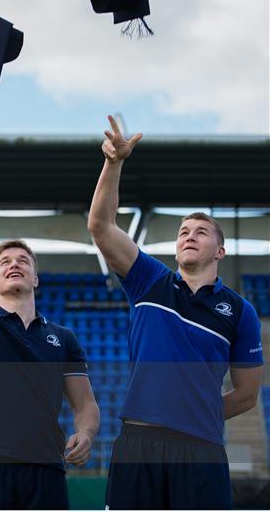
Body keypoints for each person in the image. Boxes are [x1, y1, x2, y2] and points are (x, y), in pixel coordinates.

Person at [87, 115, 264, 509]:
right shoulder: (149, 280)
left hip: (201, 448)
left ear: (220, 251)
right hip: (137, 443)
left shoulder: (240, 311)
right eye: (183, 231)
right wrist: (113, 163)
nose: (189, 236)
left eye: (201, 232)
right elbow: (100, 226)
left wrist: (195, 412)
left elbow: (248, 394)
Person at [0, 177, 100, 510]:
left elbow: (85, 405)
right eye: (5, 262)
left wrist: (85, 434)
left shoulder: (63, 338)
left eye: (23, 261)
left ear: (36, 279)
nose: (15, 263)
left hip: (45, 469)